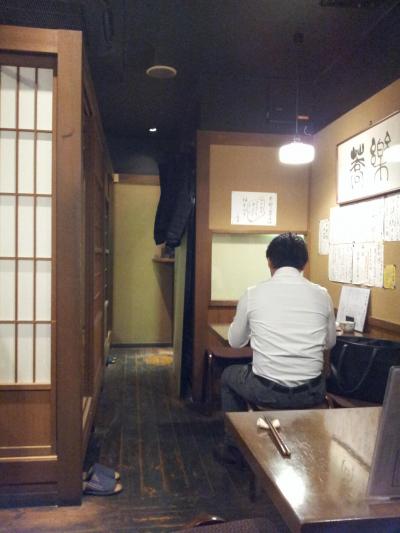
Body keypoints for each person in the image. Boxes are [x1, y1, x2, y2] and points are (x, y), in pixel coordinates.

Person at [214, 232, 336, 465]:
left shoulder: (253, 294)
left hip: (267, 392)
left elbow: (235, 342)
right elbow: (330, 343)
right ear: (304, 263)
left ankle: (234, 447)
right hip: (313, 392)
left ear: (269, 261)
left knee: (228, 376)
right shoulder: (322, 295)